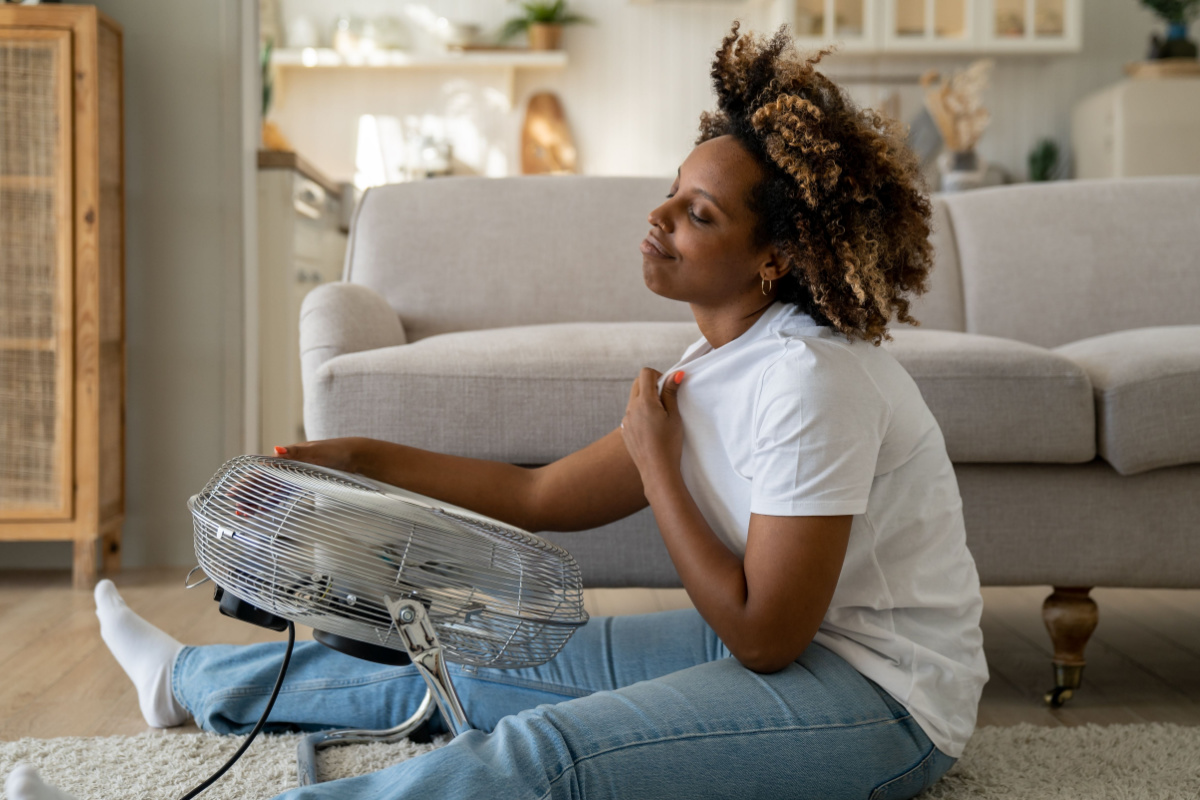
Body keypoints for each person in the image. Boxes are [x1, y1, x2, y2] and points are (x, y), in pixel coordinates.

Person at [7, 22, 987, 800]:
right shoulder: (723, 362)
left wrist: (656, 463)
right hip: (806, 648)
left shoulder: (809, 382)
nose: (658, 218)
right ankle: (186, 683)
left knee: (544, 753)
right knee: (475, 667)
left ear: (775, 258)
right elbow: (543, 492)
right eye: (672, 193)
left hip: (883, 696)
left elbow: (766, 634)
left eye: (699, 213)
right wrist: (364, 457)